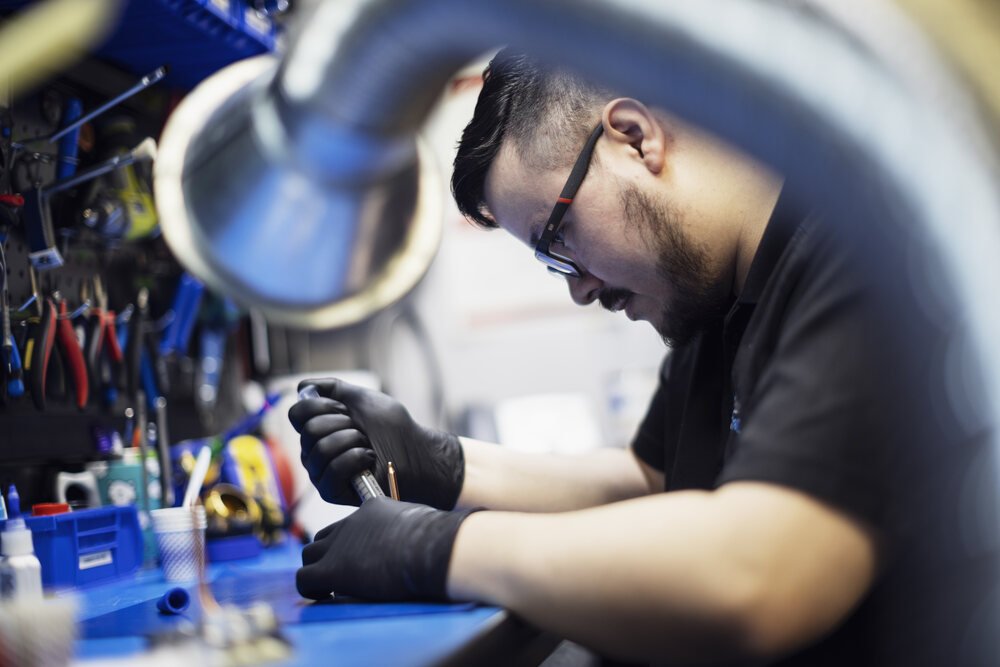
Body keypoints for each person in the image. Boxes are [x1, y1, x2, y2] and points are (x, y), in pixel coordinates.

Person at [288, 49, 998, 666]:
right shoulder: (714, 304)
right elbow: (654, 479)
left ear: (633, 138)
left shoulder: (864, 253)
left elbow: (759, 572)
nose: (579, 289)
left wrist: (438, 551)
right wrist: (440, 463)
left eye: (556, 237)